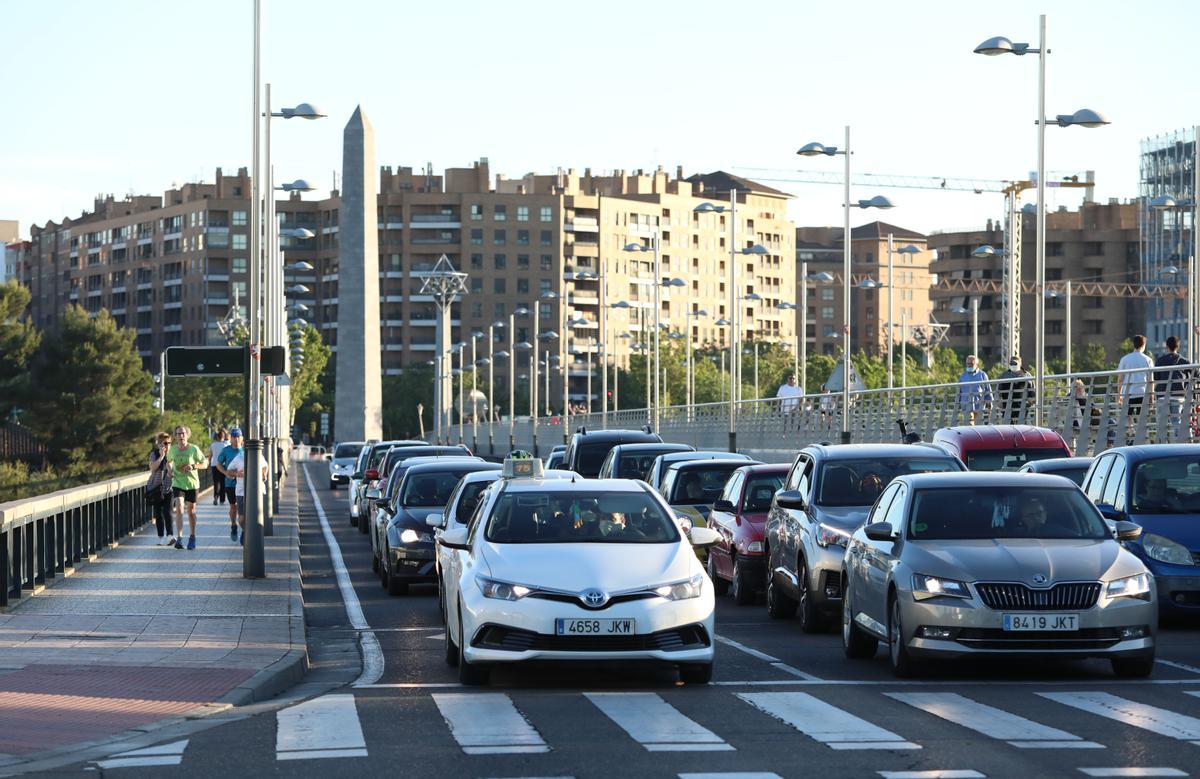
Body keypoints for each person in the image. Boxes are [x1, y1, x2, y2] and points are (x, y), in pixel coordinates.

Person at [167, 424, 207, 550]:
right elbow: (168, 462)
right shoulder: (173, 449)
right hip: (178, 482)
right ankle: (179, 538)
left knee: (191, 511)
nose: (181, 436)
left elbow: (205, 463)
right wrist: (169, 471)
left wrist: (193, 466)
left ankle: (192, 536)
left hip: (192, 484)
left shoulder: (194, 449)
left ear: (187, 435)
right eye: (178, 434)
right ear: (175, 436)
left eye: (183, 433)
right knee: (179, 507)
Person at [1154, 335, 1191, 441]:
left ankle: (1162, 444)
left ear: (1167, 346)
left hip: (1162, 395)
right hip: (1178, 395)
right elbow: (1196, 374)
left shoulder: (1160, 361)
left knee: (1162, 422)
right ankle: (1178, 442)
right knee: (1176, 421)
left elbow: (1156, 377)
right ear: (1178, 347)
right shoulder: (1184, 361)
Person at [1117, 335, 1155, 428]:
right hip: (1142, 392)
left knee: (1127, 415)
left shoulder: (1125, 359)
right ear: (1144, 345)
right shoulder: (1148, 360)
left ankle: (1131, 431)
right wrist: (1152, 396)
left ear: (1133, 345)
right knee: (1141, 417)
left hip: (1128, 392)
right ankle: (1140, 434)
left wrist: (1119, 394)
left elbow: (1120, 379)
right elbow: (1151, 381)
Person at [216, 428, 244, 541]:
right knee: (234, 506)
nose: (236, 439)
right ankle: (233, 525)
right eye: (234, 437)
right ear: (231, 438)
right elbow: (218, 464)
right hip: (231, 484)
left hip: (244, 485)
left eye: (238, 437)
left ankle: (244, 531)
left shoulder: (246, 450)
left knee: (244, 509)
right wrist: (225, 473)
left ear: (242, 438)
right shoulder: (226, 450)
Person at [147, 432, 174, 545]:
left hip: (169, 488)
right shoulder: (154, 454)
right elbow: (152, 468)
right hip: (155, 488)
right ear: (159, 444)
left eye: (169, 443)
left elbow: (172, 470)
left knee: (168, 511)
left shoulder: (173, 454)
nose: (167, 446)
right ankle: (161, 537)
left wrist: (168, 459)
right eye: (165, 443)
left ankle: (170, 536)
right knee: (158, 513)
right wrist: (161, 456)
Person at [998, 356, 1035, 423]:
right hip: (1007, 405)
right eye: (1011, 363)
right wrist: (999, 401)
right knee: (1008, 426)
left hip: (1023, 405)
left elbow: (1032, 389)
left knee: (1022, 425)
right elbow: (999, 389)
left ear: (1020, 364)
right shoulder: (1004, 375)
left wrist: (1031, 400)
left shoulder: (1027, 375)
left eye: (1015, 363)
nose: (1012, 365)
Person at [956, 355, 992, 423]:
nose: (969, 366)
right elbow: (959, 392)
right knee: (970, 425)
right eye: (967, 364)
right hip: (966, 406)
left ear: (976, 364)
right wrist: (957, 405)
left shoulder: (982, 375)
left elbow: (988, 391)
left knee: (978, 427)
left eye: (971, 364)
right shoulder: (963, 376)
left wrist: (989, 406)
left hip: (979, 406)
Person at [209, 429, 228, 506]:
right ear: (223, 436)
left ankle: (215, 496)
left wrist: (209, 465)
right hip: (223, 465)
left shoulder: (213, 445)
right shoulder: (225, 445)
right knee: (223, 482)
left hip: (214, 465)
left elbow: (210, 456)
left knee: (216, 482)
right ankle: (222, 500)